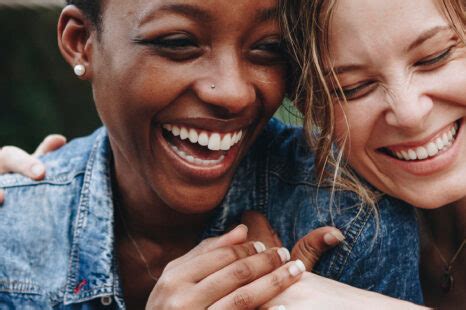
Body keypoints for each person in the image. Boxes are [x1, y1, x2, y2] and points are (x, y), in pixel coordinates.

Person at [0, 0, 423, 309]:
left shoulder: (346, 214)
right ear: (81, 43)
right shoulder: (11, 234)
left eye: (268, 48)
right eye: (178, 42)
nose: (234, 93)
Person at [258, 0, 465, 309]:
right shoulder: (325, 218)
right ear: (310, 107)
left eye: (435, 57)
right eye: (353, 88)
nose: (409, 114)